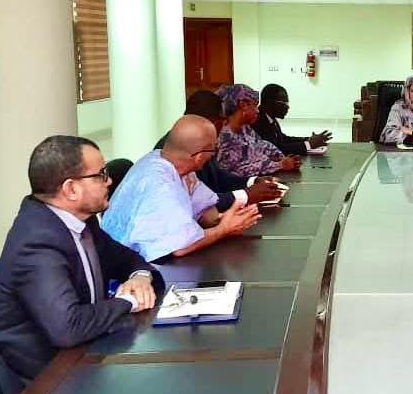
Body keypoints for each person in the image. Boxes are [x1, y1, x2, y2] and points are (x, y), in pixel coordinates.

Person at [0, 136, 165, 394]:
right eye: (101, 175)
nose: (109, 181)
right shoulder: (36, 241)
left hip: (89, 357)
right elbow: (68, 327)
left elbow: (127, 259)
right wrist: (130, 301)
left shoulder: (82, 221)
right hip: (41, 386)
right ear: (71, 189)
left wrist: (140, 278)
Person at [103, 115, 262, 262]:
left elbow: (205, 212)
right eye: (214, 149)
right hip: (130, 268)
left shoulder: (173, 162)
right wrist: (223, 229)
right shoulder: (160, 184)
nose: (214, 154)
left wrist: (226, 218)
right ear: (199, 156)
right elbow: (181, 247)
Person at [157, 90, 286, 211]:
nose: (224, 126)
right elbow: (199, 204)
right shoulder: (176, 148)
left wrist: (252, 181)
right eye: (223, 121)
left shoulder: (200, 140)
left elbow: (218, 177)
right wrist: (246, 195)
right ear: (212, 122)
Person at [216, 84, 302, 177]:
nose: (257, 111)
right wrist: (280, 165)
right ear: (243, 105)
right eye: (255, 106)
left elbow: (264, 146)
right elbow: (240, 170)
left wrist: (281, 158)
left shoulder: (246, 129)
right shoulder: (226, 136)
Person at [254, 83, 332, 157]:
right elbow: (275, 149)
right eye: (284, 102)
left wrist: (308, 139)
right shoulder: (258, 120)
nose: (288, 107)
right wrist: (309, 144)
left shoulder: (270, 118)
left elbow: (283, 139)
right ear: (269, 103)